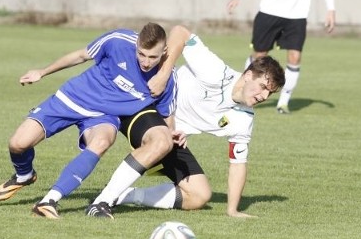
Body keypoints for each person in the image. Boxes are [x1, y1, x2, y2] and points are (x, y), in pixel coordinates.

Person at [89, 24, 286, 218]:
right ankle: (102, 201)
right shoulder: (216, 72)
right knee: (161, 140)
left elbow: (238, 164)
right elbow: (180, 32)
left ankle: (123, 195)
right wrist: (164, 75)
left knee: (200, 196)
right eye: (262, 87)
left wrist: (232, 210)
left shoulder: (244, 120)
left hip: (172, 135)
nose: (263, 96)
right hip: (145, 107)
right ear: (249, 75)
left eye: (269, 93)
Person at [0, 23, 179, 219]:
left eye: (153, 57)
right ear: (137, 45)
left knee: (102, 142)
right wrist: (42, 72)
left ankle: (49, 201)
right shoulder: (117, 41)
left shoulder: (167, 80)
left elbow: (166, 119)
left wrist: (169, 137)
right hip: (73, 97)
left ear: (164, 52)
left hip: (103, 117)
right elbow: (81, 55)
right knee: (17, 144)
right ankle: (24, 175)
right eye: (141, 54)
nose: (146, 62)